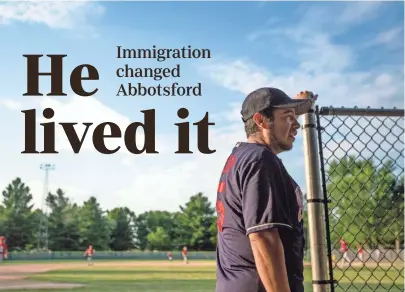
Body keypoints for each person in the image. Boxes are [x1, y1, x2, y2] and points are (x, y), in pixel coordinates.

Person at [215, 87, 317, 292]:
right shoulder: (260, 160)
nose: (296, 124)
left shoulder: (242, 158)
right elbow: (263, 236)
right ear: (261, 120)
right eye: (288, 117)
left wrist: (297, 105)